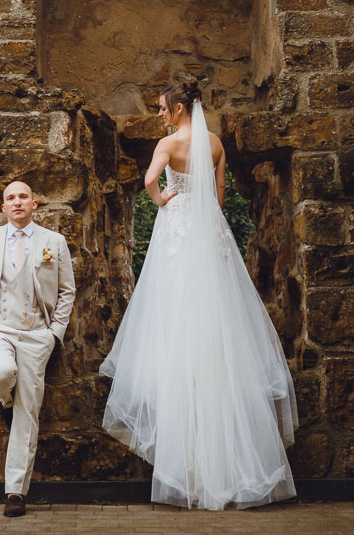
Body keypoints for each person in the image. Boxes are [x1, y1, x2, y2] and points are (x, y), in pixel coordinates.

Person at [100, 80, 298, 510]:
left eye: (161, 107)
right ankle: (233, 461)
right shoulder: (214, 143)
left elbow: (151, 181)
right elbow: (221, 195)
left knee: (174, 317)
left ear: (178, 107)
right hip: (209, 230)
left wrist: (163, 200)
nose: (159, 114)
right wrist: (207, 220)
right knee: (218, 322)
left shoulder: (168, 145)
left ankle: (187, 466)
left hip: (179, 228)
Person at [0, 181, 75, 518]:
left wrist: (54, 334)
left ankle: (15, 492)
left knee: (29, 412)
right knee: (2, 373)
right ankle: (4, 398)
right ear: (3, 207)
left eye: (23, 196)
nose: (17, 202)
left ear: (34, 204)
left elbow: (67, 291)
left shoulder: (54, 242)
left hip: (37, 333)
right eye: (11, 198)